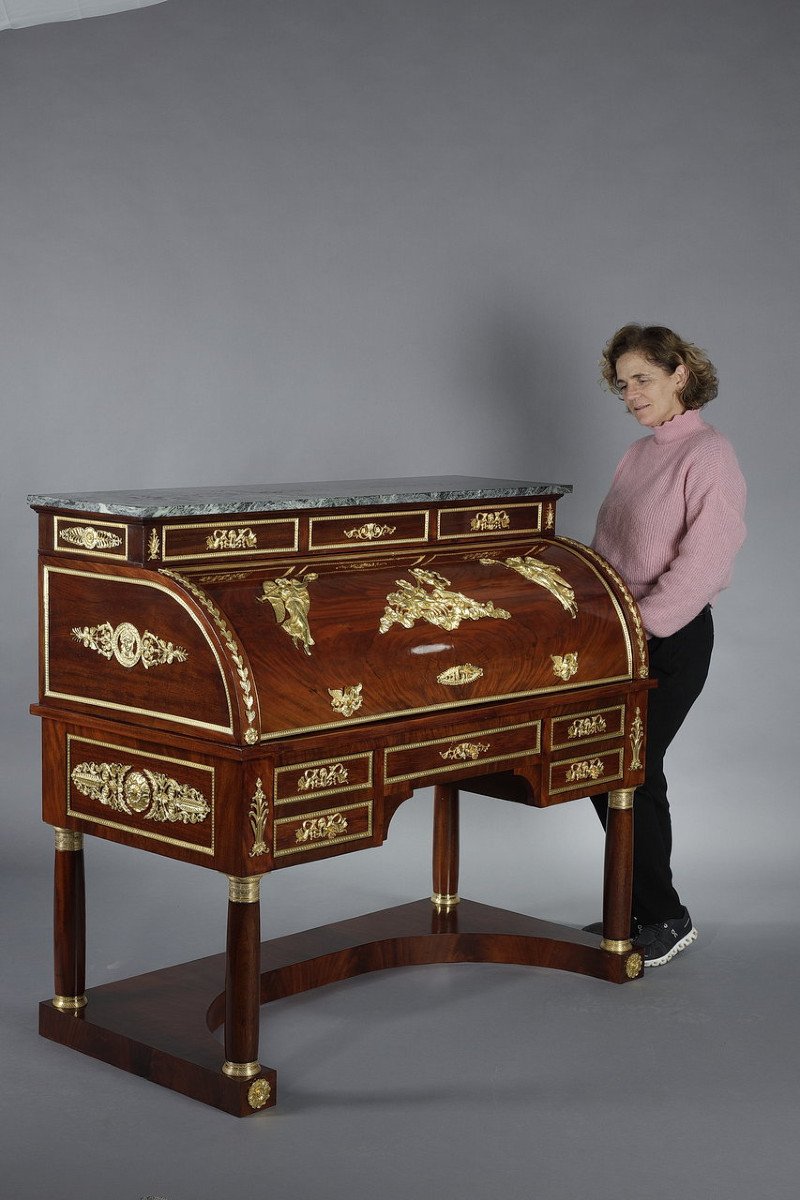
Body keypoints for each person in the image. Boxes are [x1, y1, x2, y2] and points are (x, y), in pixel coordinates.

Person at [589, 324, 746, 967]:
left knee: (634, 769)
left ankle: (666, 917)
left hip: (671, 636)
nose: (630, 394)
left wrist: (644, 627)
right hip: (621, 635)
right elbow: (609, 551)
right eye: (622, 384)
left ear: (679, 371)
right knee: (606, 768)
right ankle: (635, 904)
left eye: (642, 379)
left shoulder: (709, 454)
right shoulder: (637, 454)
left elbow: (706, 561)